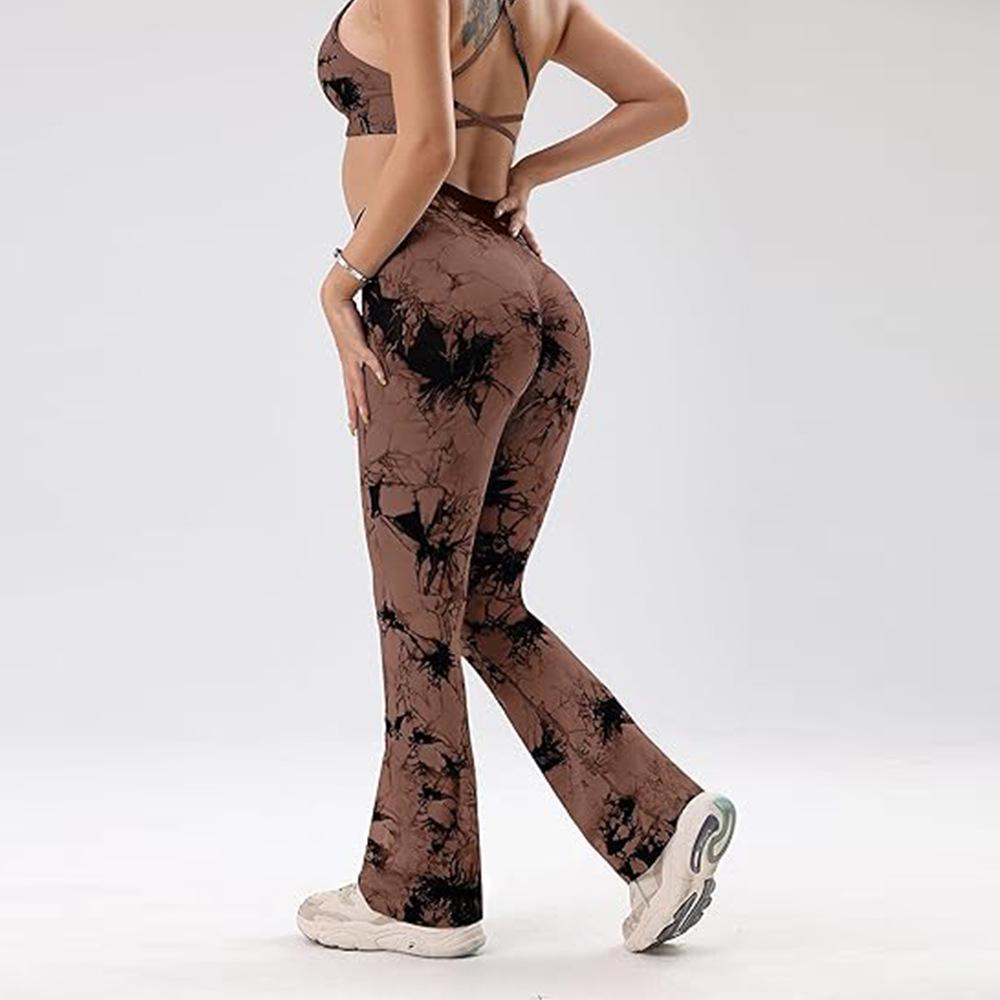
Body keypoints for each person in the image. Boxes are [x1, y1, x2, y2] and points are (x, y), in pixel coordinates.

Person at [298, 0, 735, 958]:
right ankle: (658, 824)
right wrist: (526, 172)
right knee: (483, 603)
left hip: (439, 292)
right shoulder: (544, 3)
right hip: (536, 298)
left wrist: (340, 278)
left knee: (418, 613)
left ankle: (424, 896)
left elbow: (425, 147)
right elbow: (661, 101)